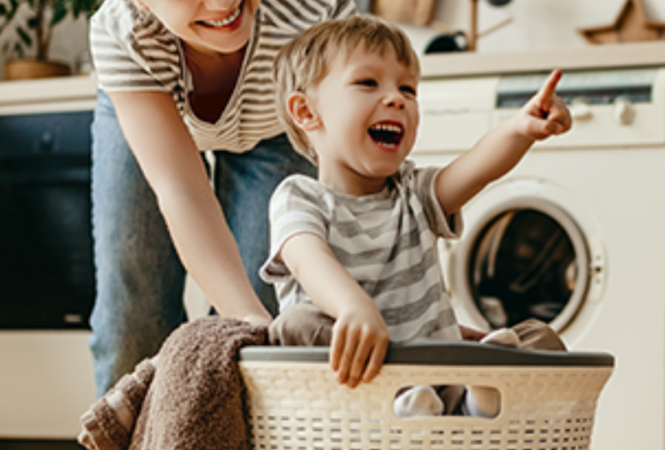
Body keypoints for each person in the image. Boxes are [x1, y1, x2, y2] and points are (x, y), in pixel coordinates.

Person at [260, 15, 572, 417]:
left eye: (407, 88)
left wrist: (520, 129)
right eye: (368, 83)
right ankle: (410, 403)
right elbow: (308, 259)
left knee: (539, 337)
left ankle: (478, 401)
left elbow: (476, 167)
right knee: (293, 326)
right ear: (306, 111)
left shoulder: (414, 193)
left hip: (441, 370)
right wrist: (354, 308)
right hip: (357, 382)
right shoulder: (298, 197)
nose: (397, 99)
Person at [87, 0, 356, 396]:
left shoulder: (314, 7)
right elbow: (182, 191)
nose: (223, 3)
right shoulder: (122, 32)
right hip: (151, 101)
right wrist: (247, 317)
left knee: (259, 302)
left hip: (278, 129)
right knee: (130, 317)